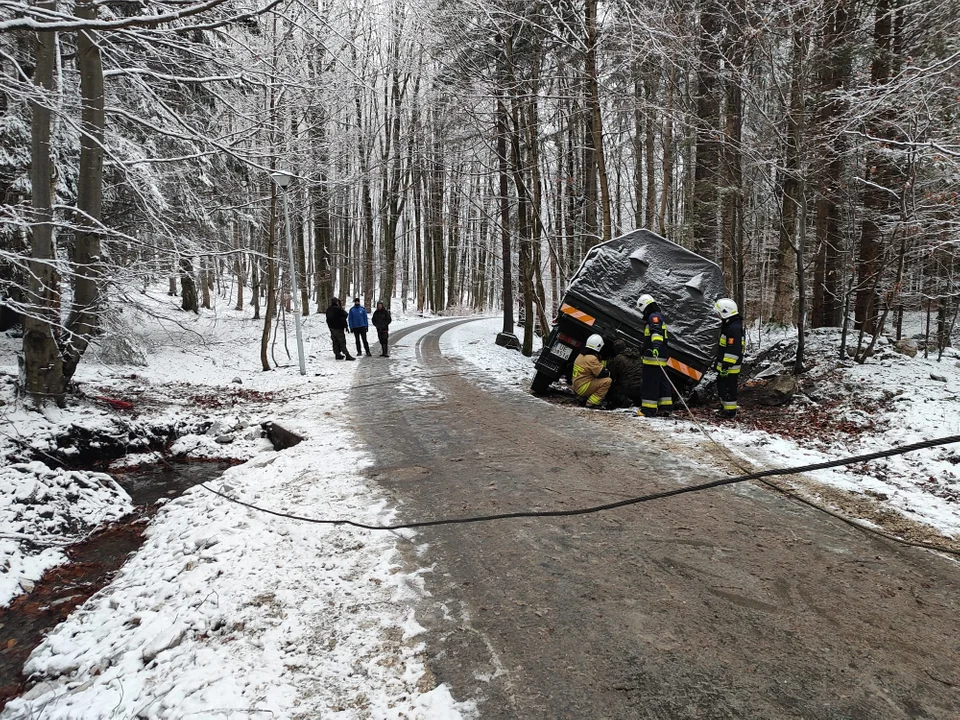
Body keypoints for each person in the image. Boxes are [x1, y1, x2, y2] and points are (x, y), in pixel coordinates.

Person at [636, 293, 673, 417]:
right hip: (661, 356)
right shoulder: (657, 316)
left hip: (653, 357)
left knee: (650, 382)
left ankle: (648, 410)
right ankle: (665, 407)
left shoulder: (653, 317)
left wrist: (655, 347)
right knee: (662, 382)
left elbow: (656, 333)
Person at [714, 297, 744, 418]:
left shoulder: (734, 328)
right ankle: (725, 407)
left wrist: (726, 364)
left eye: (719, 313)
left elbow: (733, 348)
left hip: (730, 365)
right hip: (725, 363)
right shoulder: (729, 325)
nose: (718, 316)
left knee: (728, 387)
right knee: (722, 385)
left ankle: (730, 411)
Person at [571, 334, 612, 409]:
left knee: (591, 376)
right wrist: (609, 371)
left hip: (577, 385)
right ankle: (592, 403)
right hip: (582, 387)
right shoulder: (592, 358)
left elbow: (593, 366)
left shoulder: (581, 355)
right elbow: (602, 373)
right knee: (607, 381)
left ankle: (582, 397)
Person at [606, 339, 644, 408]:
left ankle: (625, 400)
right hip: (641, 385)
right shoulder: (636, 355)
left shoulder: (619, 358)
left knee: (612, 388)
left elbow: (612, 373)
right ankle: (637, 401)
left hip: (629, 387)